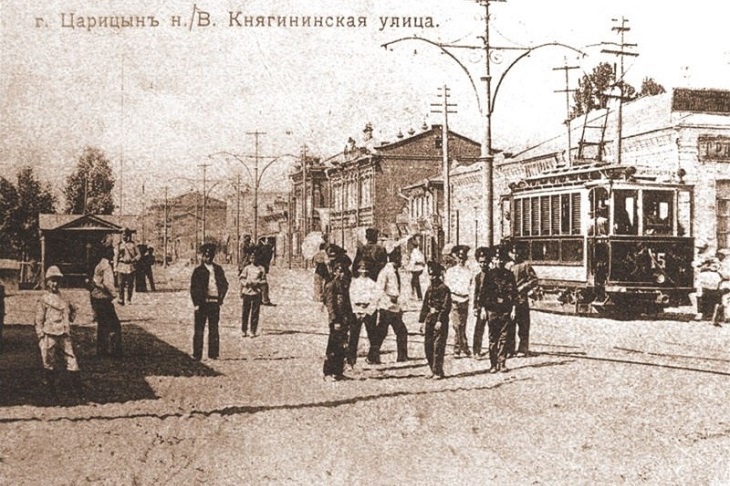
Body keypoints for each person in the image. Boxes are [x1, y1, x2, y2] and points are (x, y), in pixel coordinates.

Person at [34, 266, 83, 397]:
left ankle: (78, 390)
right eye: (52, 281)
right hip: (49, 333)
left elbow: (73, 310)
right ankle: (51, 391)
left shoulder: (64, 298)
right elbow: (38, 319)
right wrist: (40, 335)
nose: (55, 284)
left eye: (57, 281)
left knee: (71, 359)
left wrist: (69, 320)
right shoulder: (44, 299)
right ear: (47, 282)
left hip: (64, 333)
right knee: (48, 361)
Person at [480, 245, 518, 373]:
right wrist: (483, 309)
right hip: (492, 310)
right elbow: (483, 294)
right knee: (493, 338)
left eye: (502, 259)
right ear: (493, 260)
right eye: (496, 259)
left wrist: (513, 309)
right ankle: (493, 364)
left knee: (504, 337)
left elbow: (514, 293)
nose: (499, 262)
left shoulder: (509, 275)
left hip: (505, 310)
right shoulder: (489, 275)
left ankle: (502, 363)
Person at [190, 243, 229, 360]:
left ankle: (213, 353)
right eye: (206, 256)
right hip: (202, 303)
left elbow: (224, 284)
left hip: (214, 302)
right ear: (202, 256)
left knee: (214, 328)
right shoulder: (198, 271)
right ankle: (197, 354)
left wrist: (221, 298)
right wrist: (196, 303)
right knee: (199, 329)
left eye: (210, 256)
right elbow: (193, 288)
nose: (208, 258)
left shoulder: (218, 269)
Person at [372, 246, 409, 363]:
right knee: (383, 332)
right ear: (395, 258)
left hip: (395, 306)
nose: (401, 260)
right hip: (387, 306)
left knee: (400, 331)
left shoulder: (395, 270)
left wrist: (400, 305)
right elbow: (379, 290)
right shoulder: (385, 272)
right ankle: (372, 356)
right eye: (399, 258)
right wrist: (388, 303)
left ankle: (402, 356)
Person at [418, 261, 452, 379]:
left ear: (439, 276)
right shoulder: (429, 289)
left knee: (438, 346)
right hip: (430, 319)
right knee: (428, 345)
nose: (432, 278)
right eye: (430, 275)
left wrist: (440, 320)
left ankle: (438, 371)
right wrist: (422, 321)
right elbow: (425, 305)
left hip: (440, 320)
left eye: (434, 276)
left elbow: (446, 306)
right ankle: (432, 369)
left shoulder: (444, 289)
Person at [322, 256, 353, 381]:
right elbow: (330, 305)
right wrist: (334, 320)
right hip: (336, 320)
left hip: (344, 318)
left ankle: (338, 371)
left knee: (342, 346)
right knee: (333, 346)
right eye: (339, 271)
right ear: (334, 272)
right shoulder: (331, 285)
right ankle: (328, 373)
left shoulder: (345, 285)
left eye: (343, 271)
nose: (342, 274)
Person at [506, 241, 539, 357]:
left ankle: (523, 348)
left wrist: (523, 287)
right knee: (509, 325)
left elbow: (534, 280)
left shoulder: (525, 265)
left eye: (517, 253)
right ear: (509, 254)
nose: (515, 255)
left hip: (521, 299)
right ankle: (509, 349)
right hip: (509, 299)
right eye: (512, 253)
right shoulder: (507, 266)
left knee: (523, 325)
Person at [90, 245, 123, 358]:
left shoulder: (99, 264)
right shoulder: (106, 266)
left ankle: (102, 350)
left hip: (96, 297)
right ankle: (115, 352)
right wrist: (115, 296)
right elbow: (108, 284)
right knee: (114, 326)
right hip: (104, 298)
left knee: (102, 325)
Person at [348, 261, 378, 369]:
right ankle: (350, 361)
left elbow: (375, 299)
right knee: (353, 337)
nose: (363, 271)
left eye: (365, 269)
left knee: (373, 336)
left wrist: (368, 312)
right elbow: (351, 297)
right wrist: (356, 311)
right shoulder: (354, 283)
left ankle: (373, 358)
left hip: (368, 311)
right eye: (361, 269)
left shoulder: (372, 283)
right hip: (356, 310)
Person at [444, 245, 473, 358]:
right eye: (459, 257)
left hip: (465, 300)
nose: (461, 260)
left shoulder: (468, 272)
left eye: (463, 258)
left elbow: (470, 286)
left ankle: (463, 347)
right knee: (456, 326)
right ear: (456, 258)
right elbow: (448, 286)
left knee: (463, 325)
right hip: (455, 300)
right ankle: (459, 348)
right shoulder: (450, 271)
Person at [239, 250, 267, 337]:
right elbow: (241, 278)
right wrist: (246, 283)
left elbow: (264, 281)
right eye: (251, 258)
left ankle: (253, 330)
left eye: (254, 257)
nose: (253, 259)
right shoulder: (247, 268)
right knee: (245, 312)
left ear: (258, 258)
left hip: (256, 292)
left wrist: (257, 283)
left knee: (255, 312)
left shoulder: (261, 269)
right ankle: (244, 330)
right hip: (247, 292)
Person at [472, 246, 491, 358]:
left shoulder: (493, 274)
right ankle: (476, 351)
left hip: (491, 306)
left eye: (485, 262)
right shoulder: (478, 276)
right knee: (479, 329)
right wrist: (475, 307)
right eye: (481, 262)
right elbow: (476, 292)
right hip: (481, 306)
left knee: (493, 329)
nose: (483, 264)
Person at [114, 228, 140, 305]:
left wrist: (134, 259)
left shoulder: (133, 244)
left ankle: (128, 299)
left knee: (130, 284)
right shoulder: (118, 245)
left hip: (130, 266)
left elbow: (139, 255)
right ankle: (121, 299)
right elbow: (115, 257)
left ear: (128, 235)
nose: (124, 236)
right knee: (120, 283)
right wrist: (115, 268)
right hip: (121, 266)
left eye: (125, 234)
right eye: (123, 234)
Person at [257, 237, 276, 306]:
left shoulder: (267, 248)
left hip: (261, 267)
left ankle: (260, 299)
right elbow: (262, 258)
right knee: (264, 284)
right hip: (261, 267)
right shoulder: (266, 249)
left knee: (260, 284)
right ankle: (265, 300)